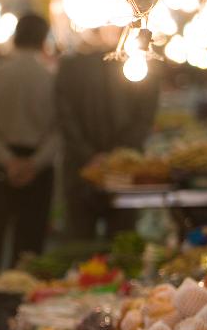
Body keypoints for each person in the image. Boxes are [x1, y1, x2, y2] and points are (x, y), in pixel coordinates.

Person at [0, 13, 59, 276]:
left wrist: (6, 159)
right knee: (29, 244)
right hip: (38, 168)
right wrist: (35, 162)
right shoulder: (51, 80)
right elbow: (60, 128)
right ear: (44, 39)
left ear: (16, 36)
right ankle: (22, 302)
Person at [57, 27, 159, 240]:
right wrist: (109, 158)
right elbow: (145, 118)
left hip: (109, 170)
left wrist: (100, 158)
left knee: (112, 246)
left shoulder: (140, 65)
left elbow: (64, 117)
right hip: (93, 171)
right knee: (98, 245)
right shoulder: (71, 65)